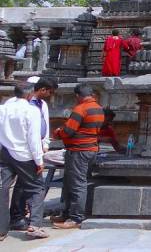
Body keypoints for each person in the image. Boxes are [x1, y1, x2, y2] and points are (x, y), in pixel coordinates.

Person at [52, 84, 105, 229]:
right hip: (90, 149)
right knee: (72, 182)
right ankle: (67, 213)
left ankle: (76, 218)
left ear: (77, 96)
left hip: (79, 151)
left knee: (77, 184)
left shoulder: (80, 109)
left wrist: (57, 132)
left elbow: (68, 131)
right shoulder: (99, 108)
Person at [9, 76, 57, 231]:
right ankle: (18, 217)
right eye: (49, 91)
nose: (50, 95)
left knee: (25, 185)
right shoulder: (18, 105)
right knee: (24, 186)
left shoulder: (41, 105)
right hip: (19, 149)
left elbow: (45, 124)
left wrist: (45, 144)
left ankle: (22, 215)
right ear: (41, 89)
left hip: (34, 148)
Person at [0, 82, 48, 240]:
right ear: (30, 95)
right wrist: (39, 160)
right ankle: (34, 225)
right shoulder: (31, 110)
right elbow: (33, 138)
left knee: (3, 189)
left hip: (5, 152)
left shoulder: (4, 107)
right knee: (37, 188)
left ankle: (1, 229)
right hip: (25, 155)